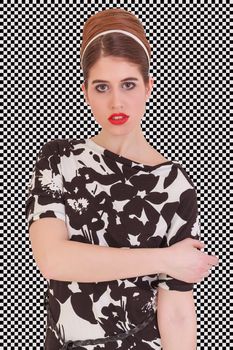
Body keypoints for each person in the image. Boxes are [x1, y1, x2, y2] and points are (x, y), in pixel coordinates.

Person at [25, 7, 219, 350]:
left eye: (128, 84)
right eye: (102, 87)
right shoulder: (58, 160)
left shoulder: (175, 186)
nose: (117, 101)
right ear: (86, 92)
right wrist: (165, 259)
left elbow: (176, 312)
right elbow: (52, 259)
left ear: (148, 86)